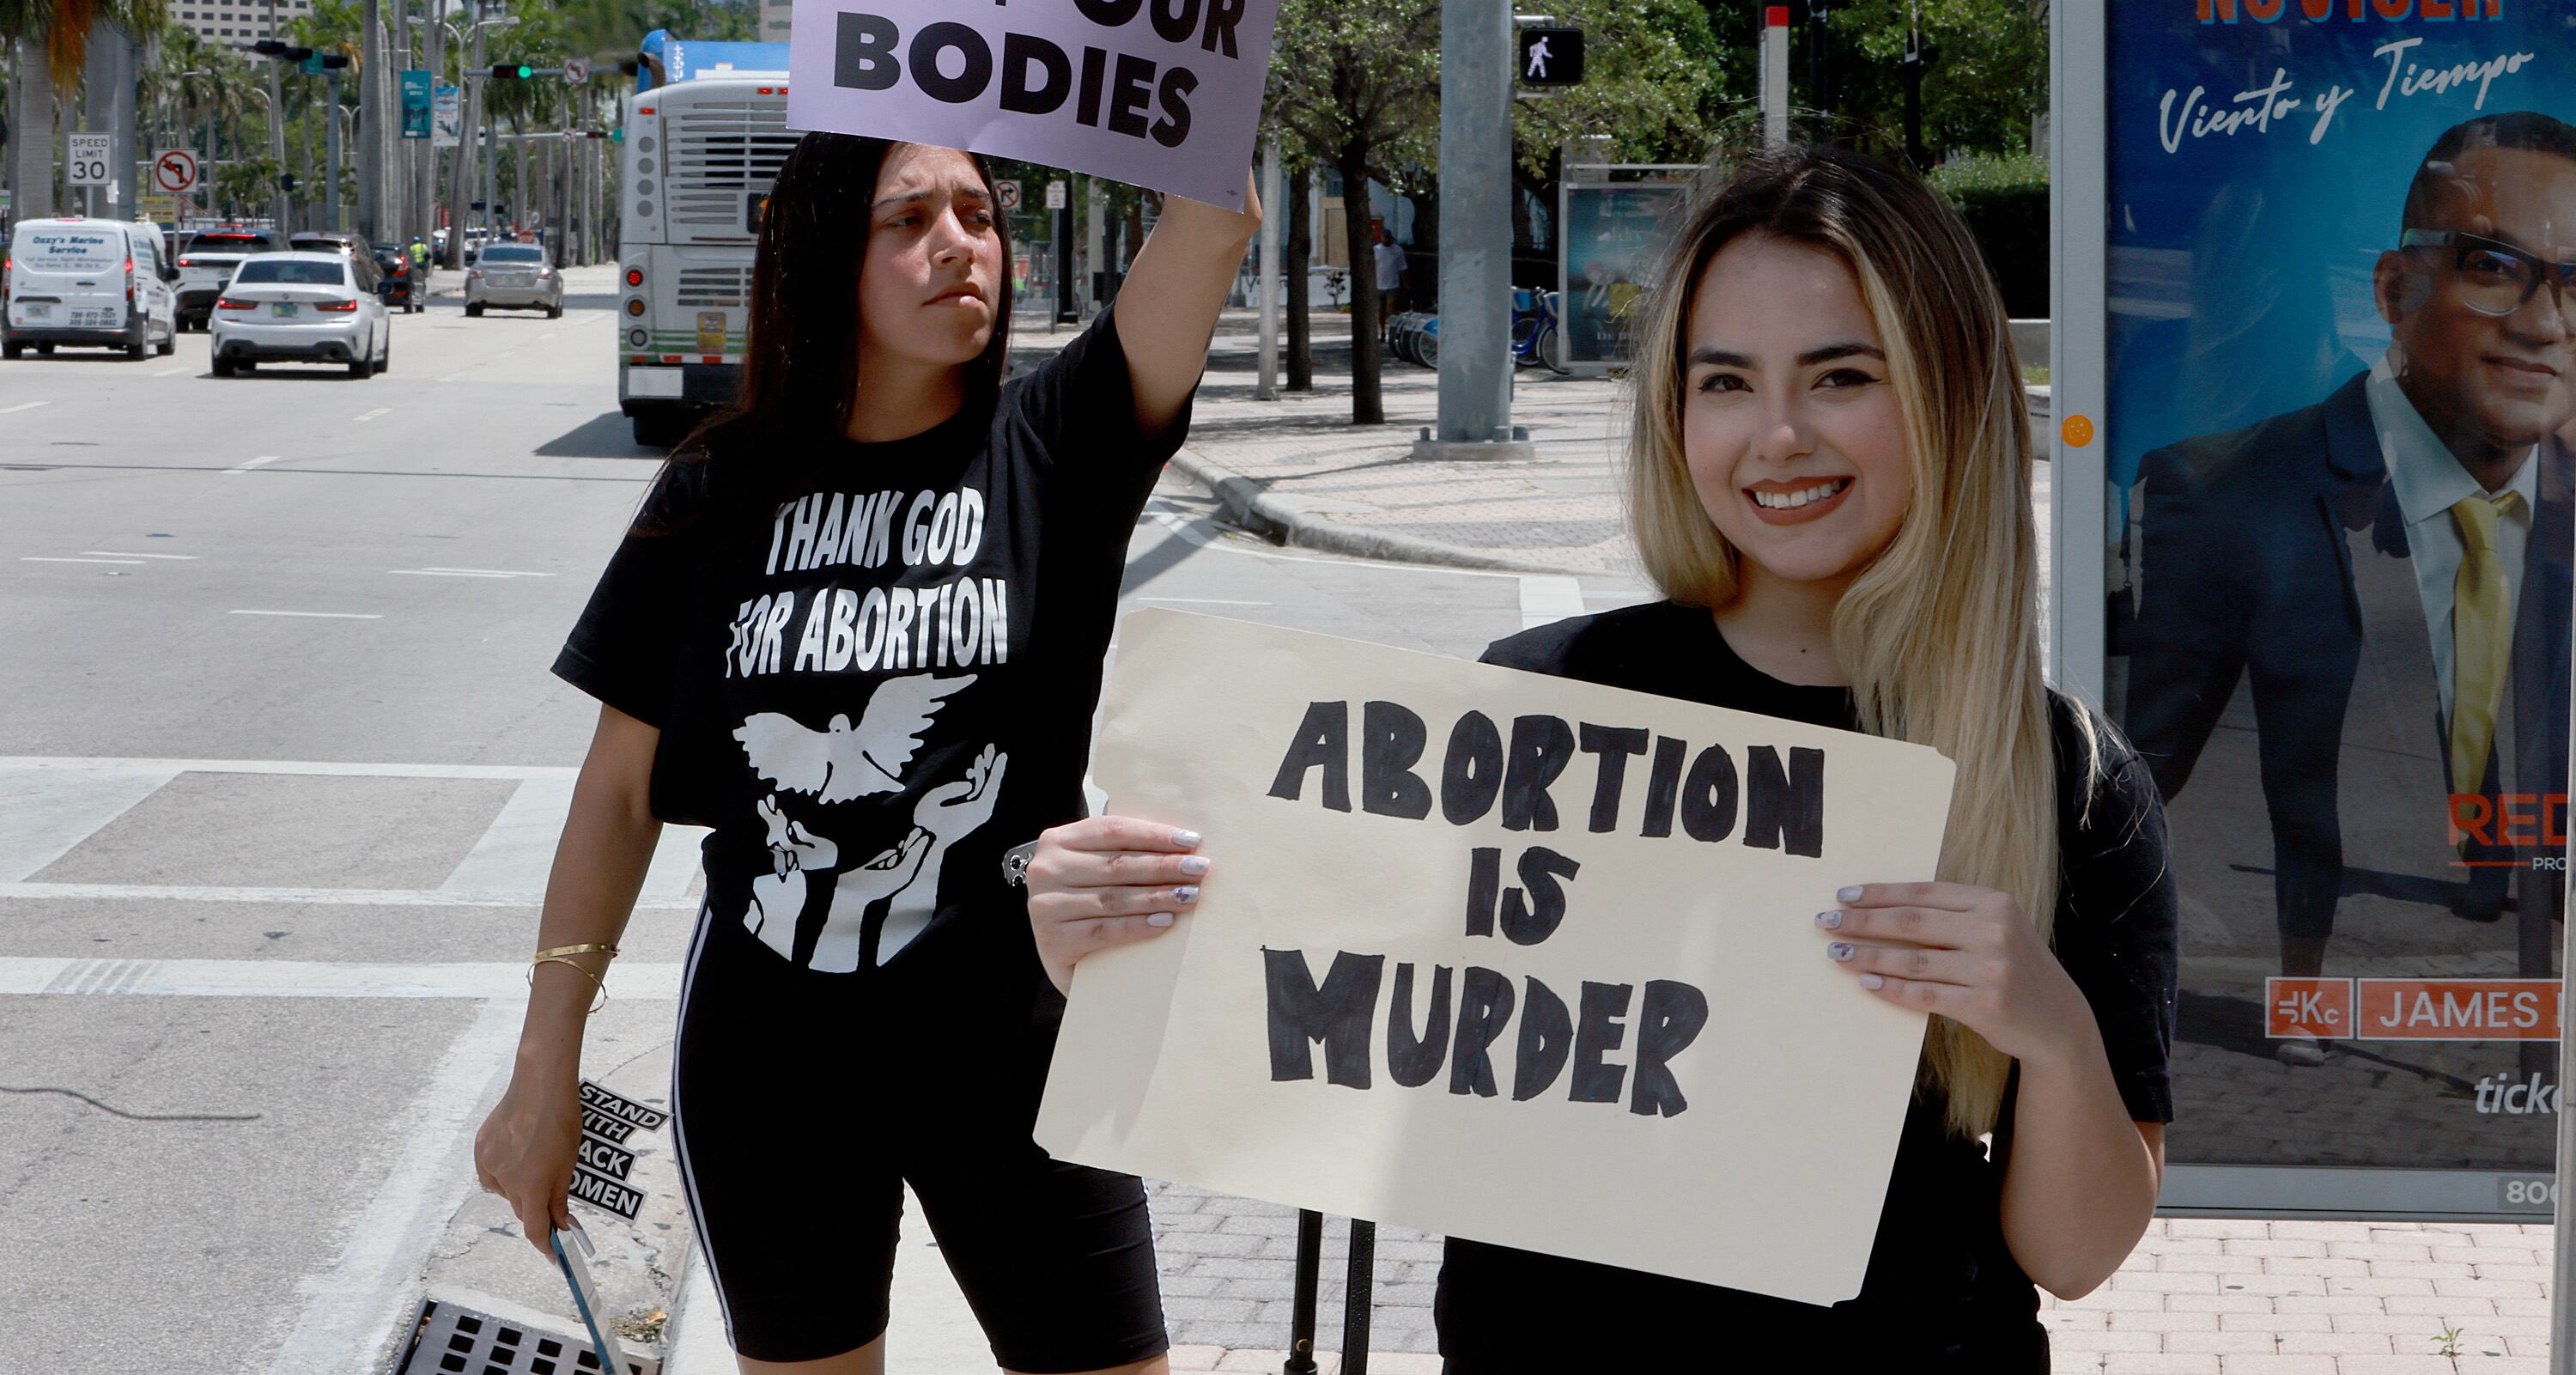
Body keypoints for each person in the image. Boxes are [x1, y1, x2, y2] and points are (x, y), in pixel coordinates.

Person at [1029, 145, 2178, 1370]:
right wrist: (1110, 950)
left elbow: (2077, 1252)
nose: (1778, 435)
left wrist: (2050, 1030)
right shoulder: (1542, 704)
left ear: (1949, 393)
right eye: (1725, 382)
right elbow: (1323, 1033)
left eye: (1842, 375)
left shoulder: (2065, 784)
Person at [470, 0, 1257, 1375]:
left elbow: (1214, 215)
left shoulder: (1068, 435)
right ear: (831, 251)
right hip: (770, 1051)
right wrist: (547, 1069)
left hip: (1022, 1036)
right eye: (911, 216)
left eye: (978, 211)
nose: (959, 243)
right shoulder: (719, 483)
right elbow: (618, 797)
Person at [2126, 112, 2576, 1062]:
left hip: (2521, 983)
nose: (2544, 322)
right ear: (2395, 285)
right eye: (2494, 265)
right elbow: (2146, 765)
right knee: (2306, 802)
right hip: (2311, 855)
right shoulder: (2223, 494)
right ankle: (2306, 989)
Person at [1371, 220, 1406, 344]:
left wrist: (1406, 283)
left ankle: (1394, 330)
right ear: (1381, 238)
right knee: (1380, 309)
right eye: (1384, 238)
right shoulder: (1376, 250)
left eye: (1388, 238)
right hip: (1379, 284)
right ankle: (1382, 331)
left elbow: (1402, 268)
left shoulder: (1397, 250)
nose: (1386, 240)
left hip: (1393, 284)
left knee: (1391, 308)